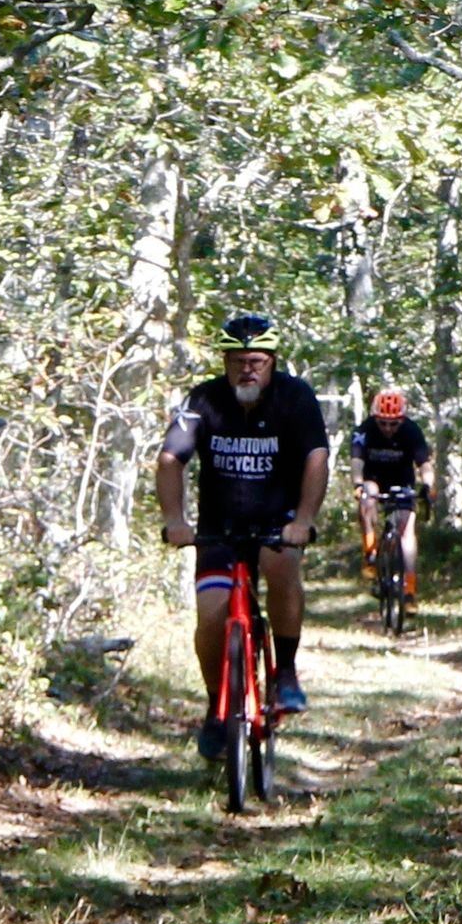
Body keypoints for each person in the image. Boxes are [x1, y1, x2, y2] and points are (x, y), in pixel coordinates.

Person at [157, 310, 330, 754]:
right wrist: (175, 520)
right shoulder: (204, 401)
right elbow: (170, 459)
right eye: (237, 360)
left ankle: (285, 672)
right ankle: (218, 707)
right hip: (220, 528)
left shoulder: (295, 398)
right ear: (224, 361)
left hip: (278, 522)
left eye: (256, 360)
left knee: (281, 565)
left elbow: (316, 457)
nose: (246, 368)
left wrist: (304, 520)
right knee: (211, 616)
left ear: (272, 360)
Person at [351, 387, 435, 591]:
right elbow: (356, 460)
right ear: (375, 418)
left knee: (407, 530)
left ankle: (410, 588)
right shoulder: (364, 430)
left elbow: (424, 464)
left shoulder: (412, 431)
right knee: (368, 497)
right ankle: (370, 552)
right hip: (373, 478)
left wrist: (428, 486)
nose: (388, 428)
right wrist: (358, 484)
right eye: (383, 423)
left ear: (402, 420)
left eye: (394, 424)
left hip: (401, 480)